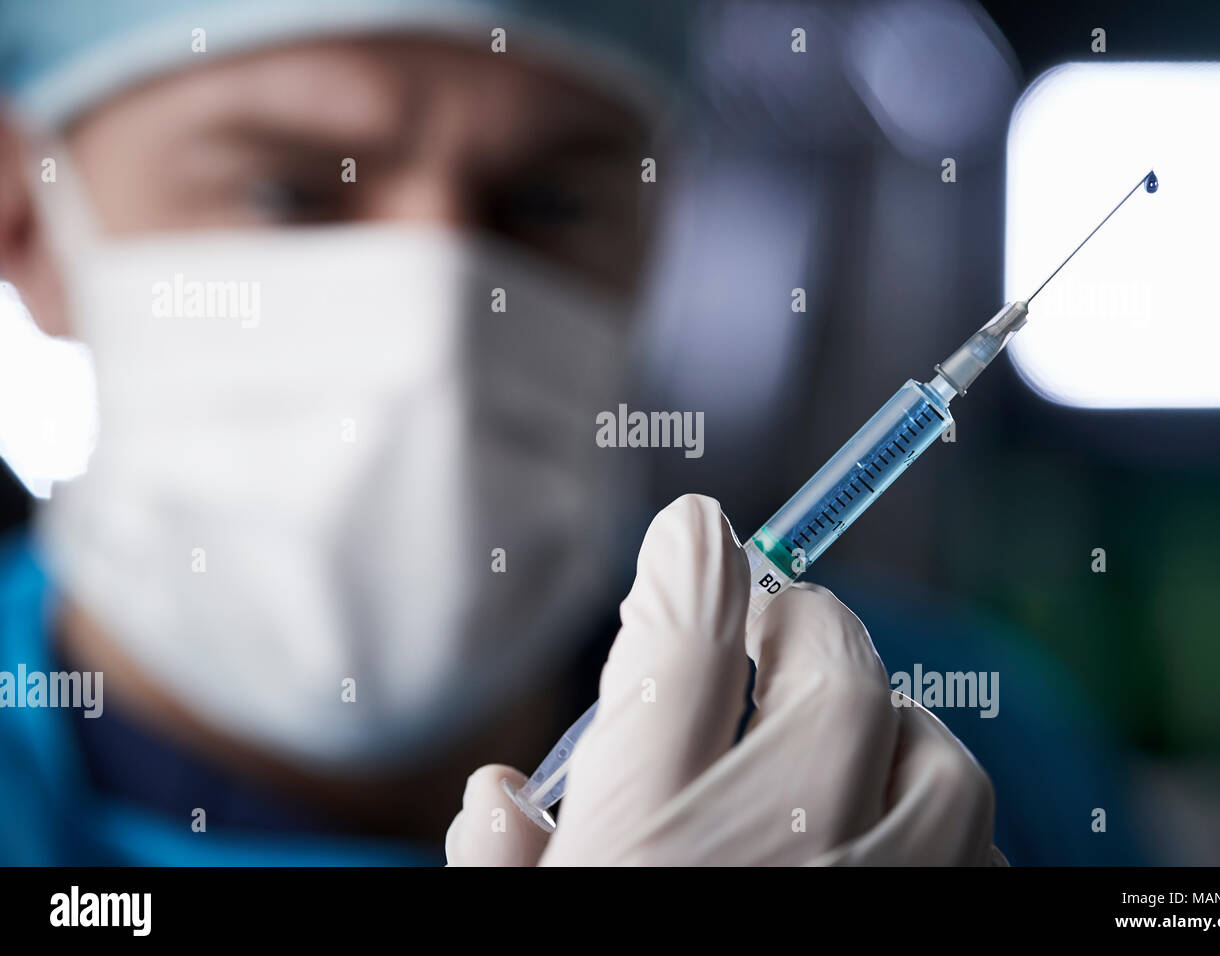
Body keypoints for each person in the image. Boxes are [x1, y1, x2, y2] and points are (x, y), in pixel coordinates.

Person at [0, 0, 999, 865]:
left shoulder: (933, 754)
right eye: (288, 194)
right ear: (22, 218)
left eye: (550, 202)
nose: (439, 328)